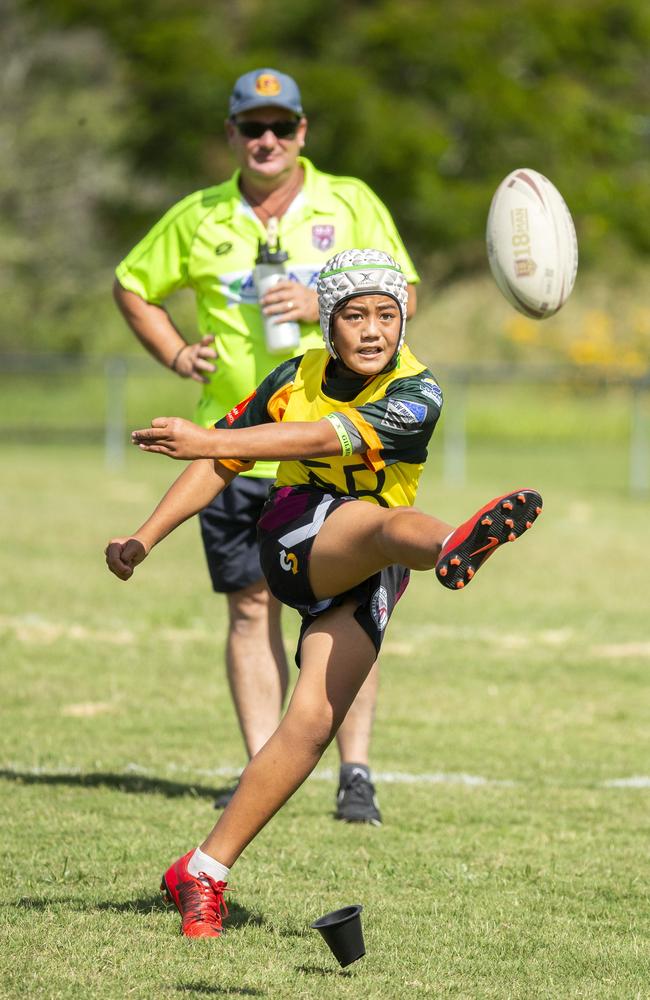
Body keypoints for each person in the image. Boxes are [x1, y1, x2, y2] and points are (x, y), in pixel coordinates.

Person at [106, 248, 543, 938]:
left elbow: (320, 435)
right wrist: (143, 537)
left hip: (371, 576)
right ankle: (453, 544)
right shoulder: (293, 375)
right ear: (327, 322)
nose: (373, 330)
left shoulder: (417, 393)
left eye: (387, 315)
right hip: (298, 537)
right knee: (386, 527)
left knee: (309, 728)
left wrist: (209, 439)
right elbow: (227, 457)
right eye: (356, 315)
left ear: (403, 322)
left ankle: (203, 871)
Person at [112, 67, 421, 824]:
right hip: (230, 437)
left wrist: (325, 299)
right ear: (233, 135)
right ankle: (262, 765)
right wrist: (177, 353)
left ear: (303, 132)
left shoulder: (349, 202)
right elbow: (131, 282)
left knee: (356, 599)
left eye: (281, 125)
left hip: (337, 443)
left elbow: (404, 294)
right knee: (249, 608)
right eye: (253, 127)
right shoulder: (199, 215)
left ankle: (355, 773)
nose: (268, 139)